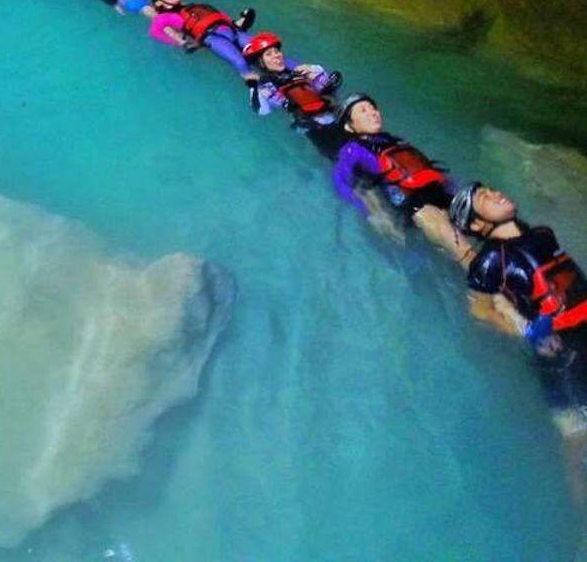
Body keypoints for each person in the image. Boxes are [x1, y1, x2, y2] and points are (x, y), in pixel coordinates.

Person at [450, 182, 587, 500]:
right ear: (476, 224)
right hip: (560, 356)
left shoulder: (542, 235)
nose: (495, 193)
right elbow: (480, 311)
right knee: (578, 444)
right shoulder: (488, 262)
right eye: (483, 197)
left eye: (490, 189)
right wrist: (527, 331)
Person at [331, 94, 462, 258]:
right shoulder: (352, 150)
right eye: (363, 111)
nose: (373, 113)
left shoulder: (393, 140)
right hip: (414, 204)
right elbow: (341, 183)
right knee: (459, 247)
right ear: (350, 126)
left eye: (374, 108)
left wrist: (451, 186)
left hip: (436, 191)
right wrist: (369, 212)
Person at [242, 31, 341, 121]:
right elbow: (262, 111)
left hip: (328, 113)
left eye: (277, 51)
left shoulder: (301, 71)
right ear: (261, 63)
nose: (276, 55)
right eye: (268, 54)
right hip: (309, 123)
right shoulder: (264, 87)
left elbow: (327, 89)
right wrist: (253, 88)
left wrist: (317, 73)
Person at [148, 2, 256, 76]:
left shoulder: (190, 6)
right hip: (211, 37)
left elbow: (217, 14)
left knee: (262, 47)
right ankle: (255, 83)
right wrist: (180, 42)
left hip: (229, 29)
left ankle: (238, 24)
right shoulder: (165, 17)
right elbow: (155, 33)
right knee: (240, 62)